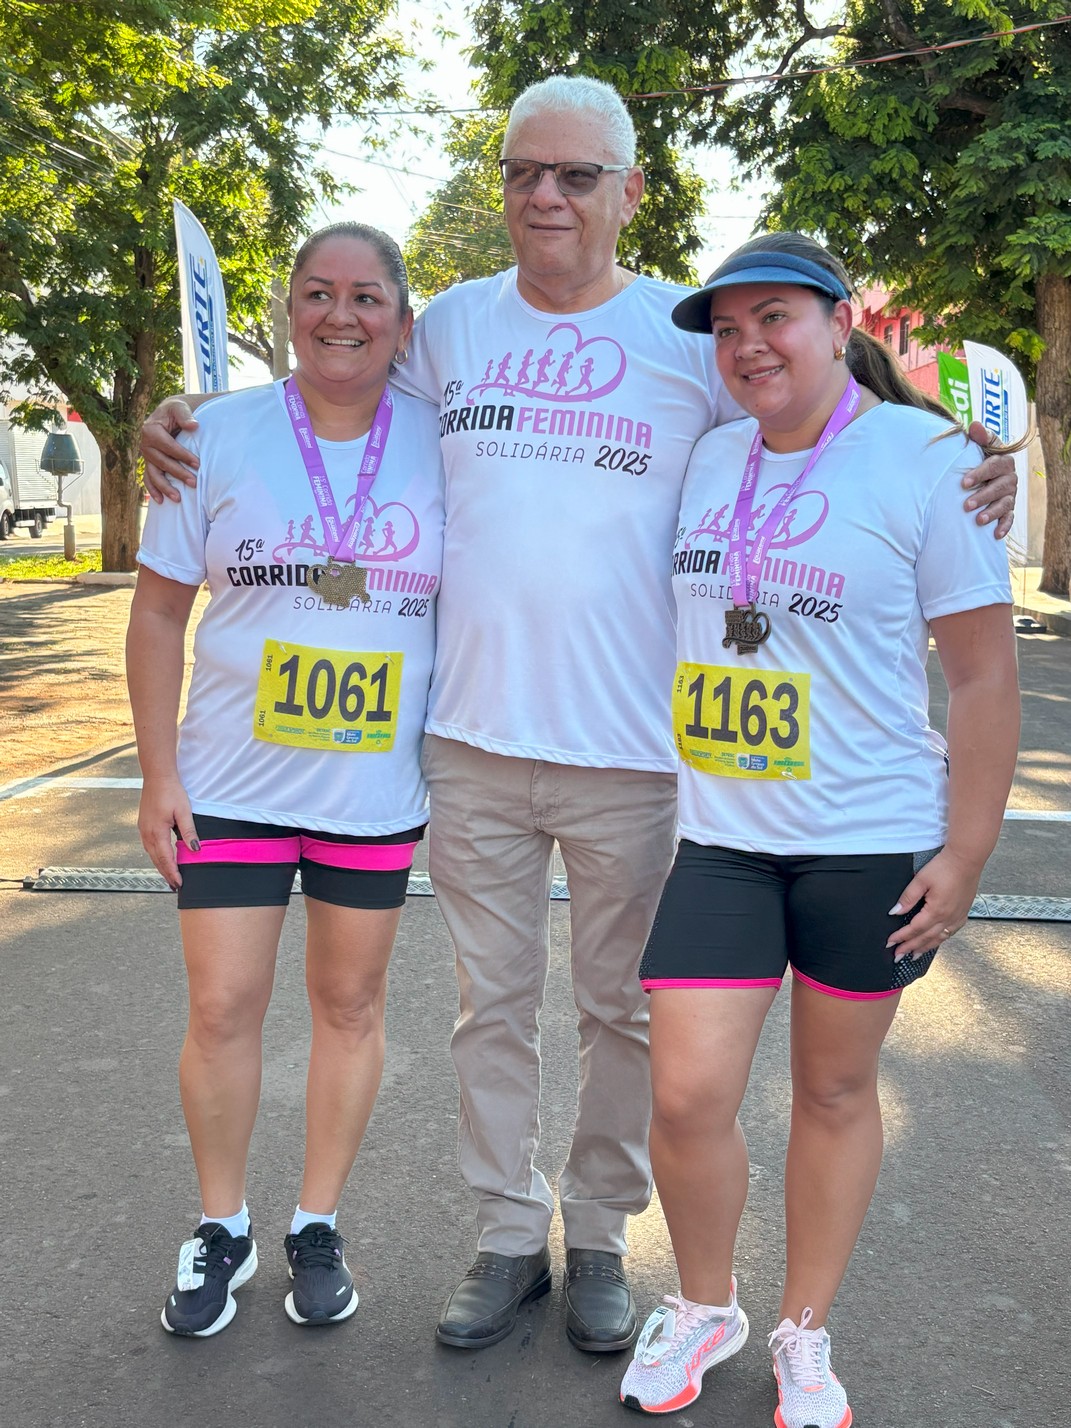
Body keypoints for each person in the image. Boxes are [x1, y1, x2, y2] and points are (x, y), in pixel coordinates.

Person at [139, 78, 1017, 1356]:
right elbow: (331, 372)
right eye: (521, 172)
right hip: (473, 744)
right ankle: (508, 1239)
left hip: (638, 758)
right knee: (486, 1010)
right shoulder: (447, 330)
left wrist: (966, 452)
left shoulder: (689, 341)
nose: (544, 196)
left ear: (630, 191)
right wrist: (181, 414)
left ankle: (601, 1236)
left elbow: (817, 416)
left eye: (576, 176)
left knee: (624, 1016)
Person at [617, 233, 1020, 1426]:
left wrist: (966, 853)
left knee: (835, 1094)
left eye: (776, 318)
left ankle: (804, 1331)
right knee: (688, 1096)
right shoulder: (707, 456)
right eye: (729, 330)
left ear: (841, 326)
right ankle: (705, 1306)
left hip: (870, 842)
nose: (750, 346)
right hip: (725, 840)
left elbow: (986, 678)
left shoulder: (926, 458)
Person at [127, 223, 444, 1338]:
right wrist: (157, 773)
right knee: (221, 1007)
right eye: (317, 293)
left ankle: (318, 1222)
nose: (340, 316)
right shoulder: (211, 435)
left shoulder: (445, 440)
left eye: (367, 297)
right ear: (283, 312)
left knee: (349, 1006)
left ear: (404, 324)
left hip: (373, 795)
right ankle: (223, 1228)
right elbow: (160, 611)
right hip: (230, 784)